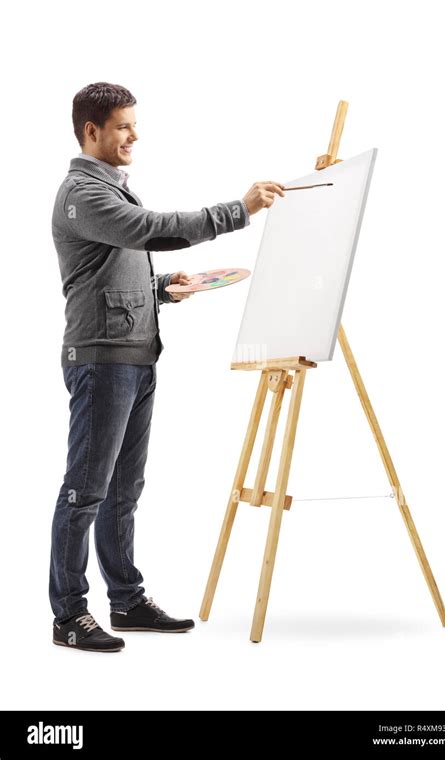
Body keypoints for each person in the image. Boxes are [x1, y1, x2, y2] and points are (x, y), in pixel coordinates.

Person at [50, 81, 285, 652]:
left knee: (123, 490)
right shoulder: (84, 193)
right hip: (102, 360)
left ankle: (126, 601)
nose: (135, 134)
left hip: (134, 355)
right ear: (92, 131)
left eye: (134, 123)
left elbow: (106, 271)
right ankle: (68, 615)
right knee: (86, 491)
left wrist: (159, 290)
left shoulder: (112, 190)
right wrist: (239, 210)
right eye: (124, 125)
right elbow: (152, 228)